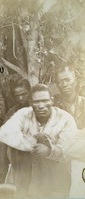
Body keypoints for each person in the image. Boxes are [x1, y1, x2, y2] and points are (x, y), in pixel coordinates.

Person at [0, 84, 77, 198]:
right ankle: (24, 191)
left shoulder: (65, 118)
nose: (41, 106)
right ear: (31, 103)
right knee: (20, 145)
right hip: (27, 170)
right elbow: (4, 133)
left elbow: (69, 149)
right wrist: (34, 144)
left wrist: (49, 150)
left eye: (45, 101)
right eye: (36, 102)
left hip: (55, 173)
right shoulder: (24, 114)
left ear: (52, 101)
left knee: (43, 140)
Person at [54, 65, 85, 198]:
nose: (63, 84)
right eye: (60, 81)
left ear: (76, 80)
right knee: (77, 162)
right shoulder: (53, 106)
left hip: (78, 148)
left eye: (67, 80)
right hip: (66, 149)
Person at [0, 78, 31, 182]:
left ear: (30, 91)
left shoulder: (37, 106)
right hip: (18, 140)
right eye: (17, 96)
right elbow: (4, 130)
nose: (21, 98)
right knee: (1, 140)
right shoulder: (13, 110)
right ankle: (2, 174)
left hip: (33, 139)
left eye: (24, 94)